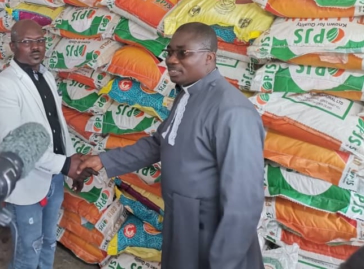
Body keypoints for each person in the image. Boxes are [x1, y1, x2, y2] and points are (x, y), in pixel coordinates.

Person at [77, 22, 265, 269]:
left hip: (213, 231)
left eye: (183, 53)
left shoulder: (233, 111)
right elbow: (161, 143)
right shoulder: (187, 95)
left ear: (209, 57)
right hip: (182, 220)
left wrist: (224, 259)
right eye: (170, 52)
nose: (172, 60)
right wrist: (103, 160)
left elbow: (244, 199)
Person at [0, 20, 95, 269]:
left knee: (48, 242)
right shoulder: (2, 85)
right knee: (28, 249)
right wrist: (65, 165)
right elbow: (17, 146)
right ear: (13, 46)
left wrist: (73, 162)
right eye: (27, 42)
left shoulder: (46, 76)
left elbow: (58, 125)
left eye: (40, 41)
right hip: (27, 183)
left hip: (54, 178)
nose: (35, 47)